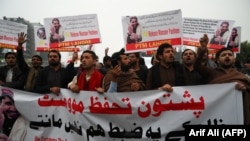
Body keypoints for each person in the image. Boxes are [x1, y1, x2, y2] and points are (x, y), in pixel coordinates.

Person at [196, 47, 250, 124]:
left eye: (230, 55)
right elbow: (197, 66)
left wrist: (244, 90)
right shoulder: (211, 73)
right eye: (223, 55)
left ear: (234, 59)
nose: (227, 56)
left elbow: (248, 90)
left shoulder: (241, 76)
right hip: (216, 112)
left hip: (236, 112)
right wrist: (203, 48)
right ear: (217, 60)